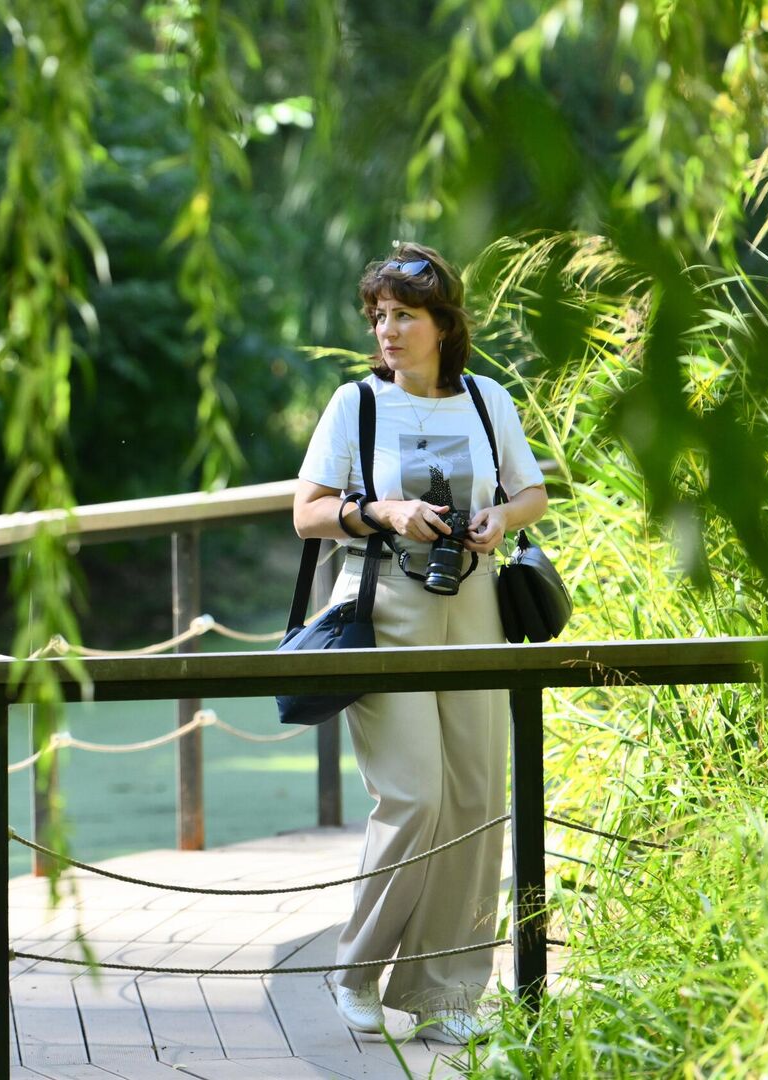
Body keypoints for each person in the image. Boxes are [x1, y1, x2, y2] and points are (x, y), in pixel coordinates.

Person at [290, 243, 549, 1043]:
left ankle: (446, 994)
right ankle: (355, 969)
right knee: (415, 797)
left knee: (475, 801)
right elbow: (307, 513)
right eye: (379, 316)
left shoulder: (486, 400)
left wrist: (500, 519)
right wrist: (385, 513)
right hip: (382, 604)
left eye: (405, 315)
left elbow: (530, 490)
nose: (389, 330)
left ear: (443, 325)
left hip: (474, 608)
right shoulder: (356, 406)